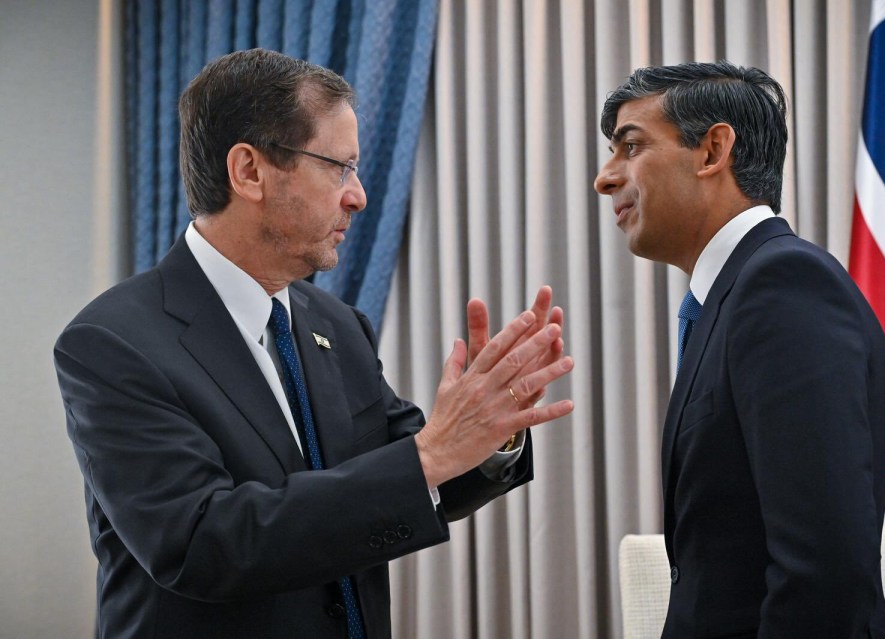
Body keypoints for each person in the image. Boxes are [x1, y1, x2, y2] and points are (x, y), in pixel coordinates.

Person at [54, 48, 574, 639]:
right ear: (249, 171)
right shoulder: (112, 341)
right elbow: (201, 543)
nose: (359, 196)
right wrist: (429, 454)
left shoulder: (337, 324)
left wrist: (488, 428)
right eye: (340, 167)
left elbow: (408, 469)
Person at [594, 61, 885, 638]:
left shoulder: (783, 284)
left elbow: (824, 570)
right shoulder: (734, 295)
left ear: (713, 151)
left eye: (630, 147)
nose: (605, 178)